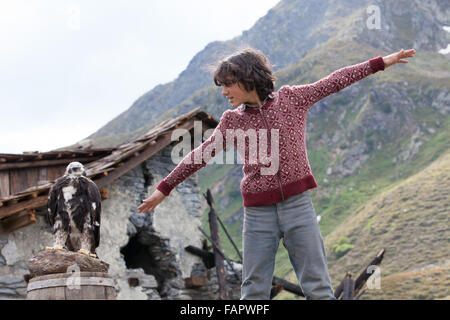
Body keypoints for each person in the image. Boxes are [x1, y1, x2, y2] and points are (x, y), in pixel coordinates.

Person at [138, 47, 416, 300]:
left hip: (298, 206)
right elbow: (200, 155)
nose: (224, 92)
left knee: (318, 287)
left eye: (227, 84)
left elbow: (335, 81)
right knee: (254, 290)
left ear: (248, 78)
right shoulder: (231, 121)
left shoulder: (292, 99)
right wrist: (164, 188)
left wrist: (380, 63)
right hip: (258, 215)